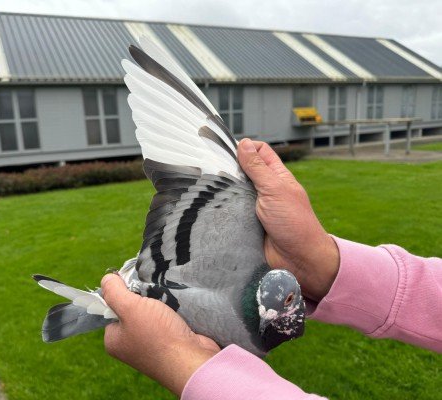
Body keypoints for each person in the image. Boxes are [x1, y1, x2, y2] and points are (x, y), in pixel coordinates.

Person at [100, 138, 442, 399]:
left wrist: (183, 364)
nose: (297, 315)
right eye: (291, 303)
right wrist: (321, 261)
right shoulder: (261, 296)